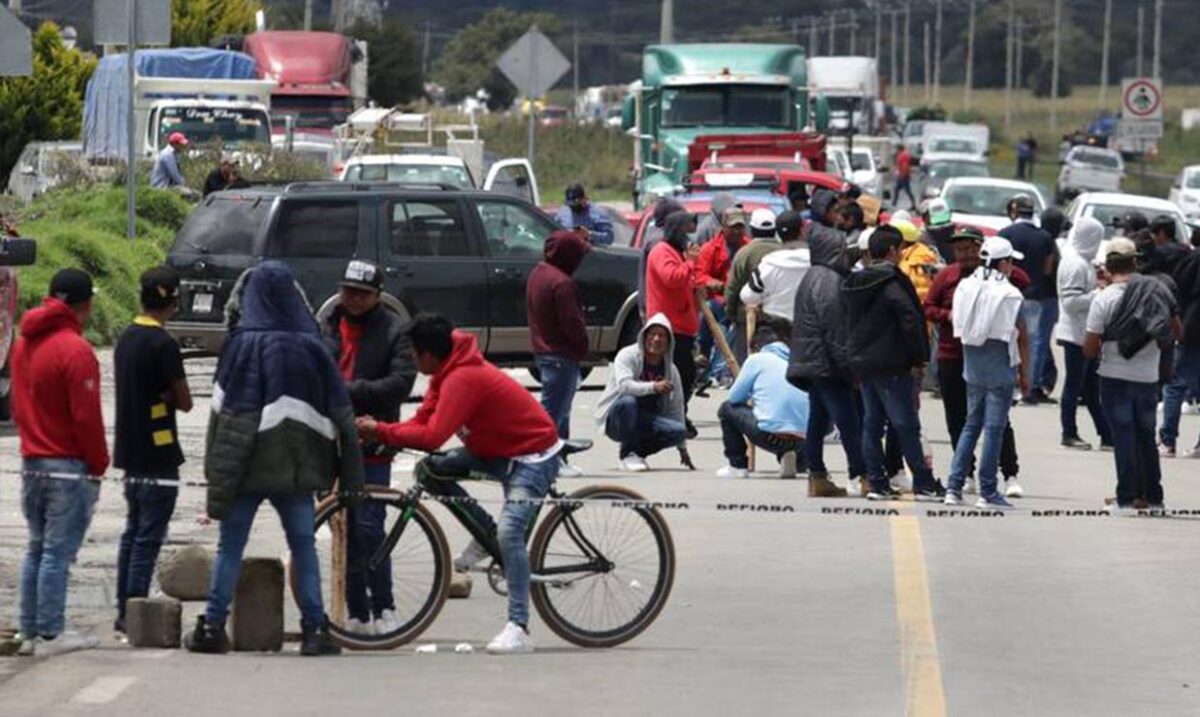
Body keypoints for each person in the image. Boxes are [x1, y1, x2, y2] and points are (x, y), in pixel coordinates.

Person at [355, 313, 563, 654]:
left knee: (510, 533)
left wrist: (381, 430)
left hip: (532, 457)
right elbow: (422, 420)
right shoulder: (444, 372)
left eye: (414, 354)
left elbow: (432, 436)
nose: (412, 361)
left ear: (429, 354)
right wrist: (385, 432)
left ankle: (520, 627)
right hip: (496, 450)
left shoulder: (462, 378)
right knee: (430, 470)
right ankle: (485, 535)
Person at [186, 262, 363, 657]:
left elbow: (221, 414)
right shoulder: (312, 346)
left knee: (230, 547)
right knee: (304, 547)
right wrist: (351, 475)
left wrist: (216, 471)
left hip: (246, 468)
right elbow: (341, 412)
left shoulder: (239, 345)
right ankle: (315, 630)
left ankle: (212, 626)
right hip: (297, 471)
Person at [11, 269, 108, 657]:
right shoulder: (75, 350)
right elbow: (86, 418)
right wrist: (99, 462)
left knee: (37, 549)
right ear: (86, 304)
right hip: (66, 465)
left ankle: (29, 630)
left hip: (32, 460)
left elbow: (18, 404)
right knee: (57, 553)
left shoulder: (23, 343)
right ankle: (51, 633)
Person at [320, 259, 417, 635]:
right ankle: (356, 611)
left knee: (370, 526)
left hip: (373, 443)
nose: (354, 299)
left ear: (377, 295)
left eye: (362, 293)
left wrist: (347, 392)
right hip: (329, 442)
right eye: (349, 291)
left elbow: (401, 383)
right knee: (342, 528)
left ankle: (384, 606)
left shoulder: (395, 331)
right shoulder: (326, 326)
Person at [113, 267, 193, 635]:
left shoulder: (126, 337)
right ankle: (136, 609)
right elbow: (185, 401)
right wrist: (168, 396)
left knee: (132, 533)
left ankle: (124, 608)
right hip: (159, 453)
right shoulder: (164, 344)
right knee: (148, 537)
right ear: (174, 302)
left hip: (130, 452)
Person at [843, 226, 946, 501]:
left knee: (872, 425)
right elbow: (910, 319)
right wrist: (919, 357)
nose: (902, 253)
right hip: (892, 364)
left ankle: (877, 483)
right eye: (900, 249)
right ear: (892, 250)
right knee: (906, 425)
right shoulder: (892, 282)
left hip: (864, 364)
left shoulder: (855, 283)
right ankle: (923, 483)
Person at [924, 227, 1028, 498]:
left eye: (971, 248)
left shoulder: (978, 284)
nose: (965, 254)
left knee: (983, 424)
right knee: (980, 424)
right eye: (960, 249)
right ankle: (979, 484)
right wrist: (948, 315)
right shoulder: (1001, 290)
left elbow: (1021, 279)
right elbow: (929, 307)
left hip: (979, 361)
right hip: (974, 359)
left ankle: (973, 482)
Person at [1084, 238, 1179, 512]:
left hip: (1114, 377)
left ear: (1107, 267)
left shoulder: (1104, 299)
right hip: (1148, 378)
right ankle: (1154, 498)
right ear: (1135, 262)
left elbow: (1089, 348)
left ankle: (1126, 499)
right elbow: (1176, 332)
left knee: (1124, 438)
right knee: (1146, 438)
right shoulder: (1156, 292)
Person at [786, 220, 855, 499]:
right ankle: (862, 472)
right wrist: (849, 366)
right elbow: (834, 328)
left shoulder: (813, 276)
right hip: (827, 363)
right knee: (848, 419)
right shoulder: (829, 280)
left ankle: (816, 474)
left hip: (812, 361)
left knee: (817, 419)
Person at [527, 231, 591, 477]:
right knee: (553, 414)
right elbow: (572, 323)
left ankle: (558, 457)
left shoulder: (538, 273)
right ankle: (547, 462)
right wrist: (583, 346)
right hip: (560, 355)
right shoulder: (562, 283)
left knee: (561, 413)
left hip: (544, 352)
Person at [595, 314, 688, 471]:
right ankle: (627, 454)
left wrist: (682, 448)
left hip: (645, 419)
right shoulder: (627, 355)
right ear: (644, 337)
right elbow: (624, 386)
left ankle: (637, 453)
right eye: (653, 334)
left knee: (679, 431)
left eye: (662, 336)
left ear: (669, 342)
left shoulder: (671, 370)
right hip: (618, 417)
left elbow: (676, 408)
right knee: (628, 402)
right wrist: (653, 387)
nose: (656, 339)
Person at [716, 324, 808, 480]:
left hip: (770, 436)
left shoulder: (757, 359)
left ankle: (737, 465)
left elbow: (734, 398)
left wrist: (752, 395)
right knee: (786, 417)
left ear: (757, 347)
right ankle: (796, 461)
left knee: (726, 408)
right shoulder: (796, 361)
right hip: (804, 439)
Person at [1055, 218, 1112, 451]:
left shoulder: (1083, 262)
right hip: (1075, 333)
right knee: (1074, 386)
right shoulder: (1075, 264)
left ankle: (1106, 435)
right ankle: (1069, 432)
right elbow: (1070, 301)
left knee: (1091, 387)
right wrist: (1098, 295)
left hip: (1084, 332)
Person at [646, 210, 703, 428]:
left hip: (682, 325)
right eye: (685, 231)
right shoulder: (661, 251)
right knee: (680, 373)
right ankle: (673, 415)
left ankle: (678, 413)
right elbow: (672, 278)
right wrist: (690, 263)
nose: (689, 237)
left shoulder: (677, 253)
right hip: (669, 326)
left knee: (685, 374)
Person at [1000, 194, 1058, 405]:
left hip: (1006, 295)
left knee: (1005, 338)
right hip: (1033, 296)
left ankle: (1007, 384)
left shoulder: (1005, 234)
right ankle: (1028, 388)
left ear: (1015, 211)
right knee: (1030, 342)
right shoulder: (1045, 237)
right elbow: (1048, 268)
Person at [694, 207, 750, 386]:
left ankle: (726, 369)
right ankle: (704, 354)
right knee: (709, 311)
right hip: (718, 300)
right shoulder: (710, 248)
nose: (737, 231)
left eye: (740, 227)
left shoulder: (748, 248)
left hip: (742, 301)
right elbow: (699, 275)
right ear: (723, 227)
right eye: (733, 227)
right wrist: (714, 283)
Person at [725, 208, 782, 364]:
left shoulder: (744, 253)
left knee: (747, 366)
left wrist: (731, 314)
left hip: (749, 321)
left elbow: (732, 288)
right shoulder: (785, 252)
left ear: (752, 229)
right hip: (781, 322)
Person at [741, 210, 810, 324]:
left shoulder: (768, 264)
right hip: (808, 327)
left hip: (775, 329)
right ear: (802, 230)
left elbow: (747, 296)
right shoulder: (816, 262)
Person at [1163, 247, 1200, 457]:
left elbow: (1178, 290)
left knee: (1175, 383)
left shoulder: (1193, 259)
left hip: (1193, 328)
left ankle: (1168, 441)